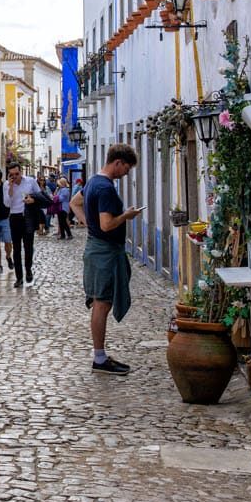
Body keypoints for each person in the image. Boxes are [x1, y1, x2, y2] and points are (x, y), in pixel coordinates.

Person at [71, 143, 142, 375]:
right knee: (101, 304)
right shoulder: (105, 189)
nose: (126, 173)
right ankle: (99, 358)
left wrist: (87, 223)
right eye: (127, 168)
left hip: (96, 248)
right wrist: (126, 215)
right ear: (118, 162)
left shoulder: (93, 181)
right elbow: (107, 224)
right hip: (105, 253)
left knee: (101, 302)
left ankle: (100, 356)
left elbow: (74, 203)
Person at [3, 162, 51, 288]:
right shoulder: (6, 185)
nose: (15, 177)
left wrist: (33, 200)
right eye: (12, 175)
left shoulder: (30, 182)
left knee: (28, 246)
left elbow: (41, 196)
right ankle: (19, 277)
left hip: (28, 216)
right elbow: (7, 204)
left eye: (17, 174)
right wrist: (11, 188)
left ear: (21, 172)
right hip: (14, 217)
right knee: (16, 248)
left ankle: (28, 269)